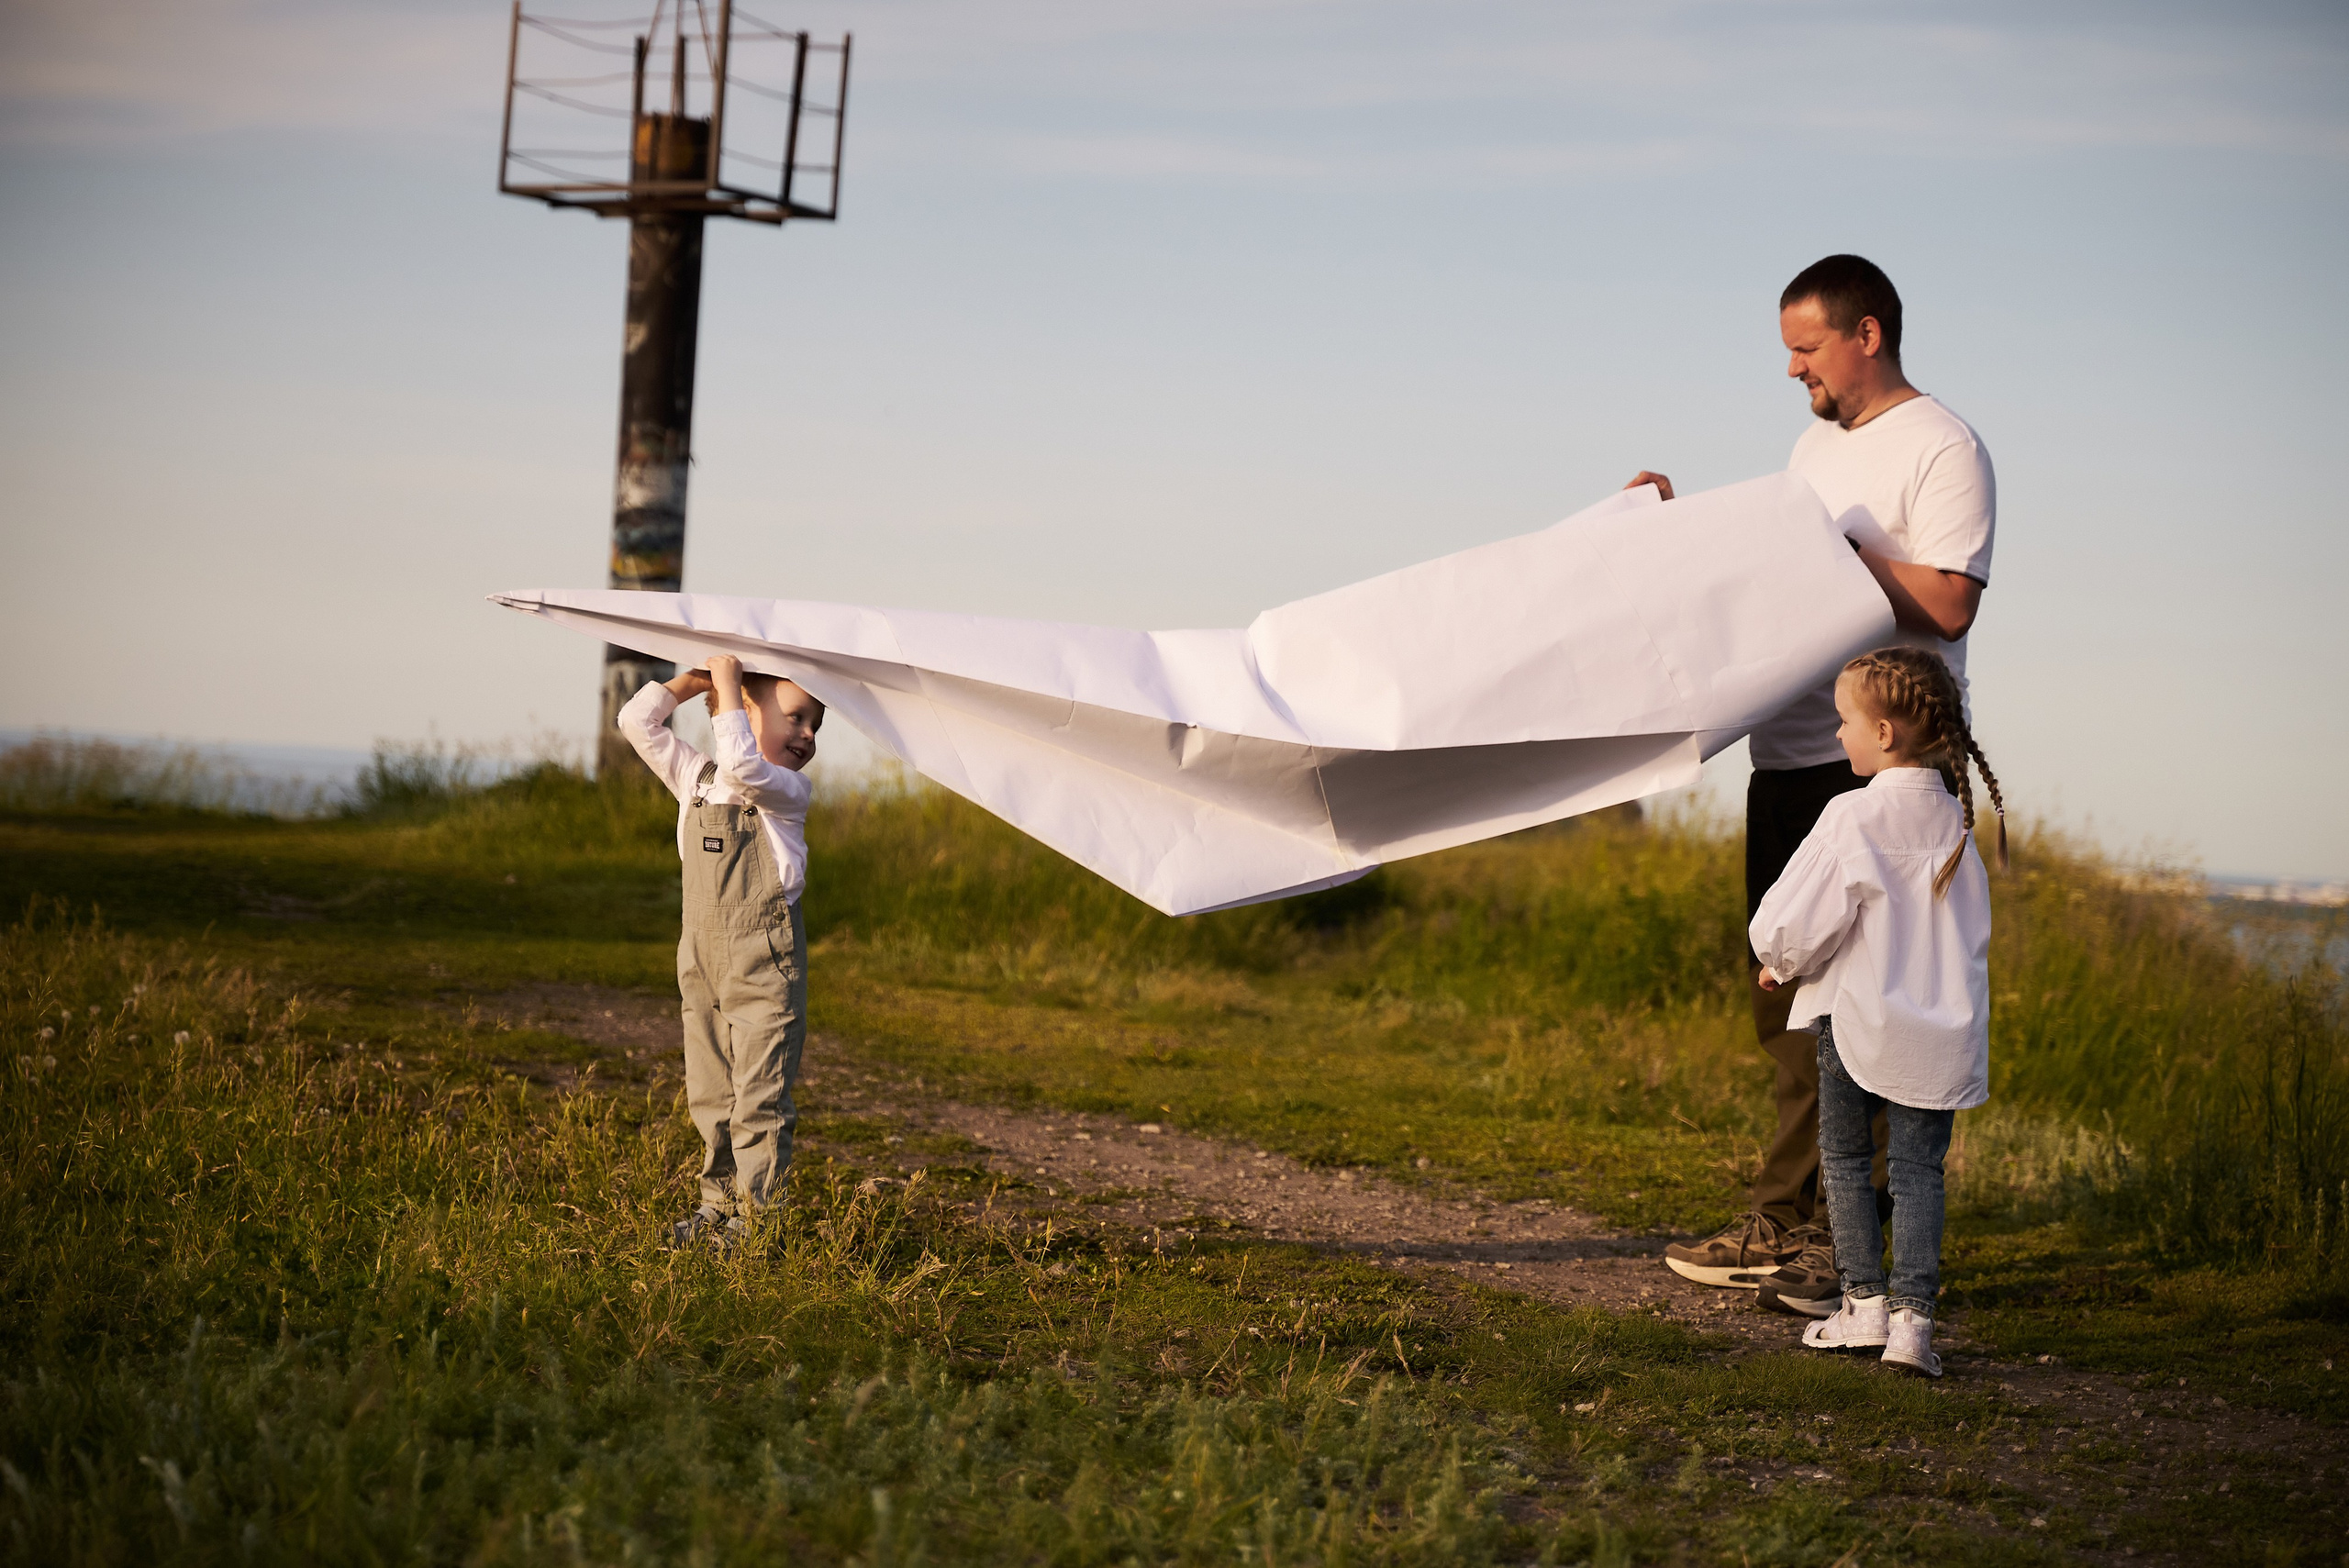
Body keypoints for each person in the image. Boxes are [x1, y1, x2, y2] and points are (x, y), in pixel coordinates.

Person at [1630, 254, 1996, 1317]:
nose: (1793, 371)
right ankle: (1795, 1227)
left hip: (1872, 766)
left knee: (1860, 1016)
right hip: (1786, 755)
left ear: (1865, 333)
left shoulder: (1943, 447)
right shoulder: (1811, 446)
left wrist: (1829, 548)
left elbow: (1947, 602)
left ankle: (1838, 1253)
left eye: (1805, 348)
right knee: (1784, 1006)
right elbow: (1777, 575)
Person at [1747, 646, 2006, 1375]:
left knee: (1848, 1157)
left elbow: (1797, 914)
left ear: (1885, 733)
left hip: (1857, 1019)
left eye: (1844, 722)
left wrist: (1779, 961)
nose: (1838, 736)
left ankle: (1861, 1307)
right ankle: (1914, 1328)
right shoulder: (1956, 825)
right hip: (1942, 1029)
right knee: (1921, 1170)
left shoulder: (1851, 814)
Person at [618, 653, 824, 1251]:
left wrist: (730, 687)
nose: (809, 734)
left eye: (816, 723)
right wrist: (697, 683)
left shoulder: (786, 791)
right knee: (711, 1091)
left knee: (758, 1099)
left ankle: (757, 1228)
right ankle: (718, 1207)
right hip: (701, 957)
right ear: (739, 711)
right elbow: (636, 720)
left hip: (765, 963)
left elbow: (743, 760)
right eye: (796, 717)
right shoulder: (697, 778)